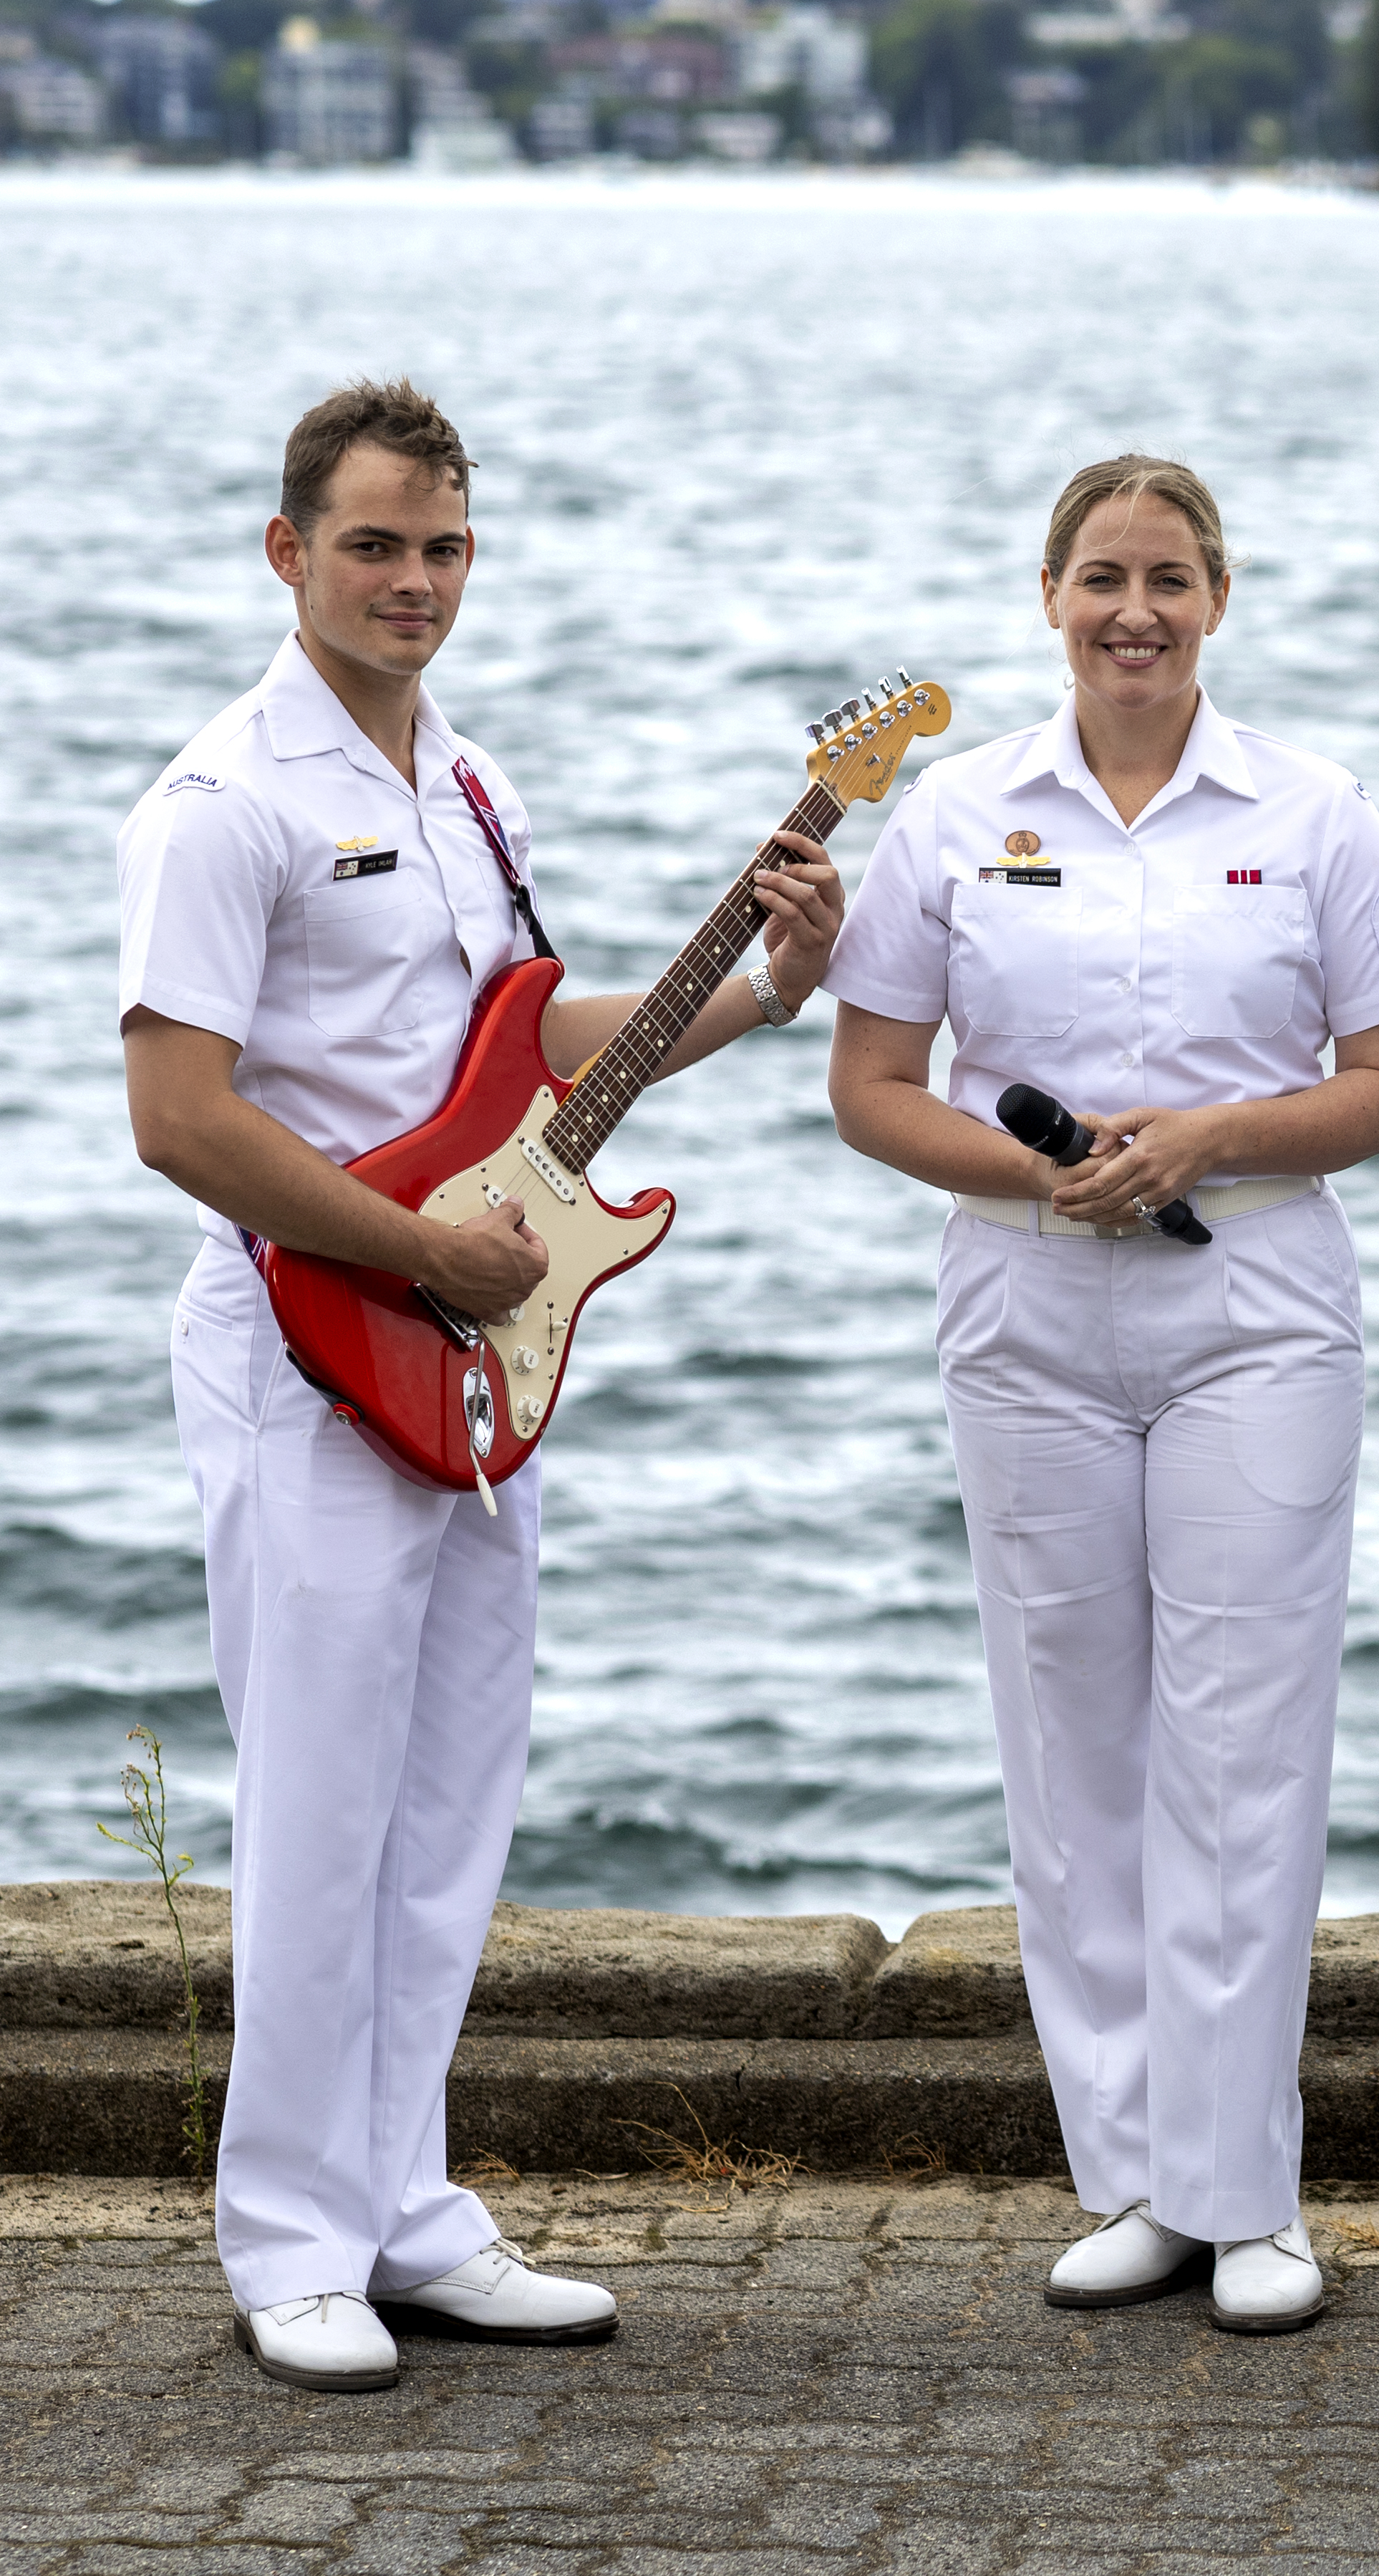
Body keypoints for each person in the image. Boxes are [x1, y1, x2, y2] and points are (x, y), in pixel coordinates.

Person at [118, 380, 846, 2392]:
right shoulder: (218, 803)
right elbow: (180, 1118)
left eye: (443, 545)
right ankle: (287, 2241)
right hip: (305, 1333)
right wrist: (420, 1251)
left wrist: (768, 985)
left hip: (472, 1347)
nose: (414, 580)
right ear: (288, 553)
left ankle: (409, 2214)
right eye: (373, 544)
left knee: (446, 1810)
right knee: (323, 1804)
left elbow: (533, 1062)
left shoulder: (473, 787)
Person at [827, 455, 1379, 2338]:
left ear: (1217, 601)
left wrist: (1211, 1134)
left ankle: (1248, 2194)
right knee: (1072, 1753)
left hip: (1255, 1293)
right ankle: (1137, 2181)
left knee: (1241, 1753)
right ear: (1049, 596)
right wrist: (1045, 1175)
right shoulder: (952, 814)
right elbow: (872, 1083)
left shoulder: (1313, 810)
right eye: (1104, 578)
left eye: (1170, 580)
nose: (1136, 614)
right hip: (1027, 1303)